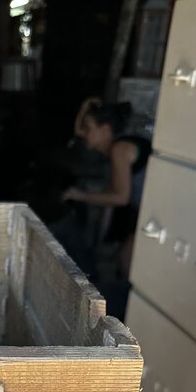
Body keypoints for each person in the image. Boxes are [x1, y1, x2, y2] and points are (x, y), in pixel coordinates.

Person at [53, 97, 152, 279]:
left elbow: (121, 197)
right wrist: (84, 107)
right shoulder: (115, 146)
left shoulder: (120, 149)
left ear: (105, 130)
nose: (84, 133)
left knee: (126, 262)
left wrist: (80, 195)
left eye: (89, 128)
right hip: (146, 214)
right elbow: (78, 131)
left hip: (157, 214)